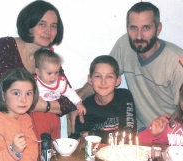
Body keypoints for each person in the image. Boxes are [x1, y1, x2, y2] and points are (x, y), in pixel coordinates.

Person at [77, 2, 183, 132]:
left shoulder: (176, 61)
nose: (139, 36)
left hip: (167, 133)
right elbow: (102, 74)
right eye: (133, 28)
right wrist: (77, 100)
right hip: (138, 132)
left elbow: (181, 111)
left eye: (146, 28)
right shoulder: (124, 45)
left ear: (158, 28)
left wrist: (165, 128)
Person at [0, 0, 78, 140]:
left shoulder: (47, 58)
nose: (48, 31)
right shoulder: (4, 47)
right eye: (42, 24)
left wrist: (43, 106)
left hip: (35, 136)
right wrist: (38, 105)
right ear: (28, 25)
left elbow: (68, 101)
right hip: (0, 134)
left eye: (53, 26)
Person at [69, 55, 137, 144]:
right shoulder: (85, 107)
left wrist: (91, 134)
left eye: (109, 77)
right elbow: (77, 137)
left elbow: (129, 133)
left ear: (117, 80)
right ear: (90, 79)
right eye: (98, 76)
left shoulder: (124, 96)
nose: (103, 82)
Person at [0, 68, 38, 160]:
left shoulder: (25, 118)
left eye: (28, 93)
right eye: (16, 93)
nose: (23, 100)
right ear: (3, 96)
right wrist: (13, 152)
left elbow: (32, 149)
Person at [34, 48, 86, 120]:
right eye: (49, 73)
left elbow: (70, 93)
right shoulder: (34, 83)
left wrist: (79, 103)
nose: (54, 77)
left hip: (54, 115)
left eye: (56, 72)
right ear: (38, 72)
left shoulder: (60, 83)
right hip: (36, 115)